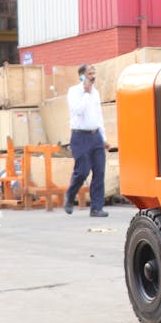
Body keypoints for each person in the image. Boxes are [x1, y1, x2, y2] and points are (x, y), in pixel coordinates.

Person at [65, 63, 109, 217]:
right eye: (90, 73)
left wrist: (104, 138)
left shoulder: (96, 93)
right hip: (80, 136)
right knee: (82, 171)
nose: (93, 76)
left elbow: (98, 116)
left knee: (99, 171)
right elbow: (77, 110)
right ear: (82, 76)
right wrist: (85, 93)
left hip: (95, 136)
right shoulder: (74, 92)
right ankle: (70, 196)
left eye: (93, 73)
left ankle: (96, 208)